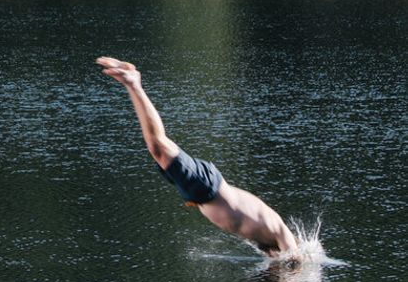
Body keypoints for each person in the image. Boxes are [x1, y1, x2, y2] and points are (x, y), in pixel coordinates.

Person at [96, 57, 298, 257]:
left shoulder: (267, 240)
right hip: (208, 187)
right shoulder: (281, 233)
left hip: (203, 191)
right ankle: (133, 83)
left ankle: (132, 83)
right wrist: (298, 265)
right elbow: (294, 260)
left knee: (158, 149)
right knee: (157, 145)